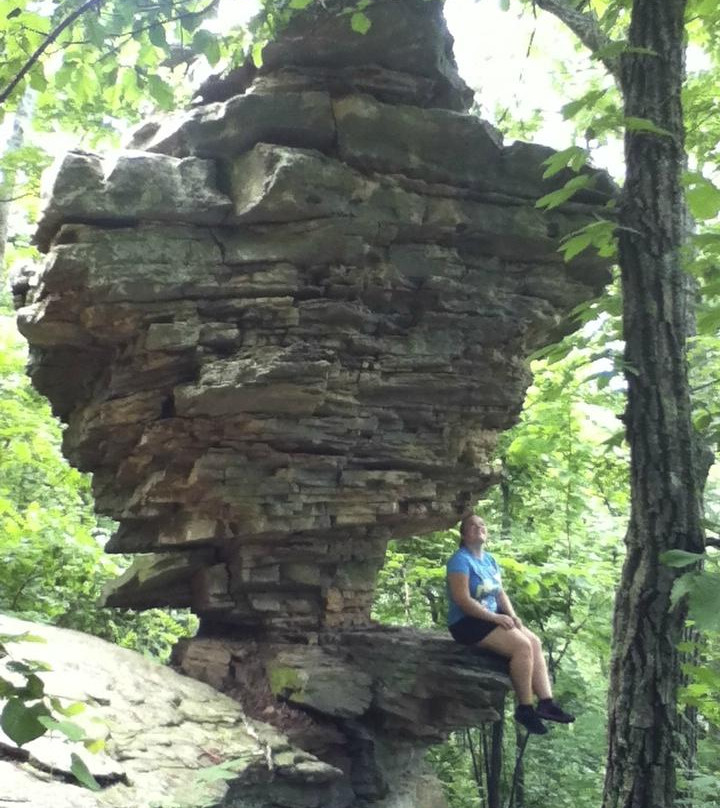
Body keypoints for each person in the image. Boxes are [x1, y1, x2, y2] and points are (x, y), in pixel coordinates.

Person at [446, 514, 575, 735]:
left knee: (534, 641)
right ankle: (525, 708)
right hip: (467, 622)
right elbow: (463, 600)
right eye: (472, 526)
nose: (478, 528)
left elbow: (499, 592)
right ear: (464, 534)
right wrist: (495, 618)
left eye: (482, 525)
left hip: (491, 617)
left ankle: (546, 702)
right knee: (521, 646)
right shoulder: (459, 560)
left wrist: (512, 615)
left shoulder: (490, 560)